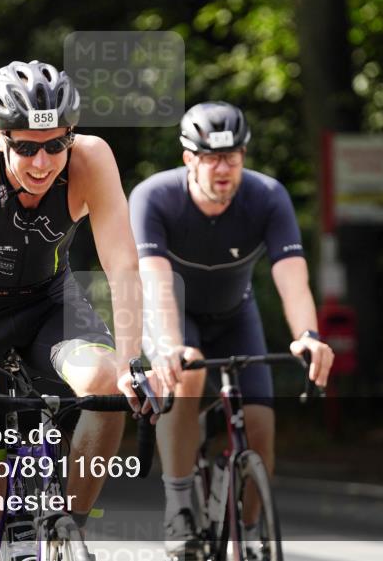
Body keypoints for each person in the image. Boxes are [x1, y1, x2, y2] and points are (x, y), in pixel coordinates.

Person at [0, 60, 152, 561]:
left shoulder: (92, 158)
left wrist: (131, 360)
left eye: (56, 144)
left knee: (107, 384)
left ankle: (67, 532)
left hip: (50, 301)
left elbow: (122, 265)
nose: (42, 163)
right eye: (26, 147)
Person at [128, 101, 335, 557]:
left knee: (260, 427)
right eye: (211, 158)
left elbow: (292, 278)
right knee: (189, 372)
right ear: (189, 158)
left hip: (235, 315)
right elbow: (156, 283)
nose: (223, 168)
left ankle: (252, 532)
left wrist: (308, 335)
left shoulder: (267, 197)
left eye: (232, 156)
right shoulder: (154, 197)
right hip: (174, 313)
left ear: (243, 155)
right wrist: (171, 346)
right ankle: (179, 503)